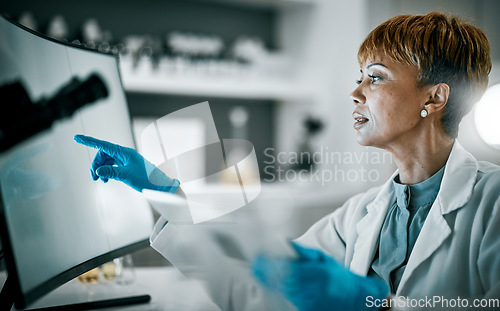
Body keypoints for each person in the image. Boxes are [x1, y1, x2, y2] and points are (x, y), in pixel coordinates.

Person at [75, 11, 500, 311]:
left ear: (435, 96)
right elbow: (259, 281)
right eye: (358, 77)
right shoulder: (361, 215)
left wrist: (377, 307)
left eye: (375, 77)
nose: (355, 93)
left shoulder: (493, 204)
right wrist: (162, 188)